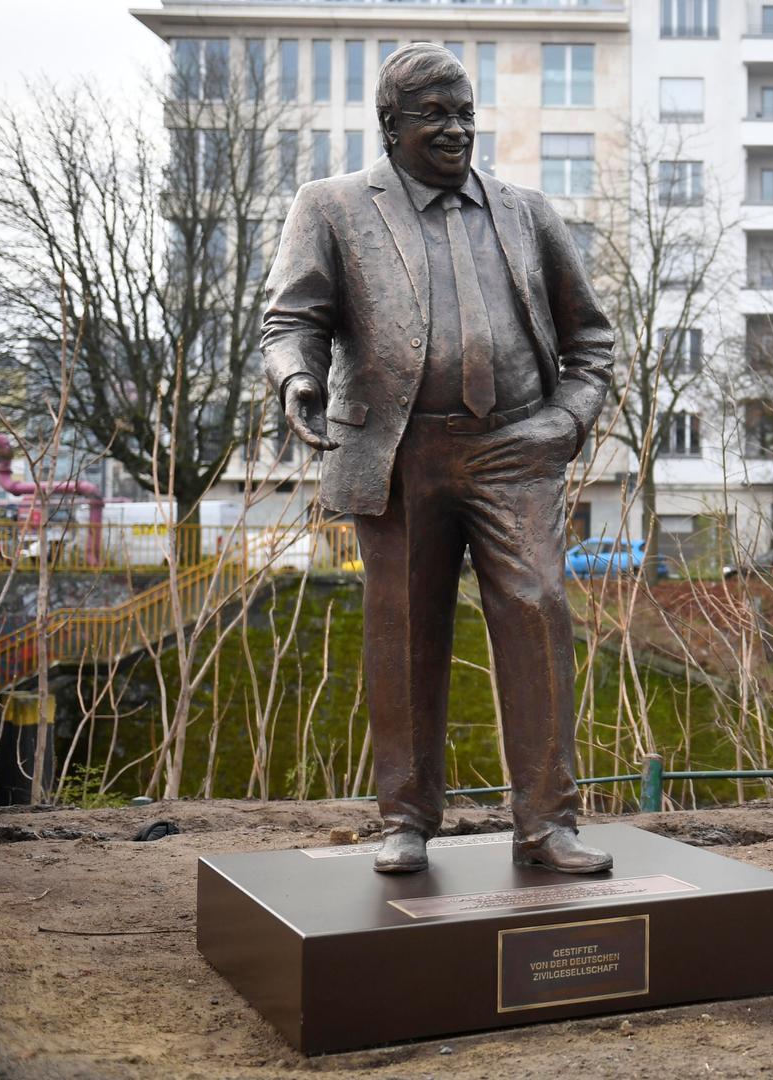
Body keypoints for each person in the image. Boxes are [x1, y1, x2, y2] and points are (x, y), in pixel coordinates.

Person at [263, 43, 614, 874]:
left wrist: (565, 422)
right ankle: (407, 820)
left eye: (464, 112)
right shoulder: (333, 206)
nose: (455, 129)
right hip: (397, 452)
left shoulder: (526, 211)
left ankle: (547, 823)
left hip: (514, 449)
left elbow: (589, 337)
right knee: (405, 632)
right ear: (391, 126)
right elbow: (291, 320)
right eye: (435, 116)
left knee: (539, 612)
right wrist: (297, 381)